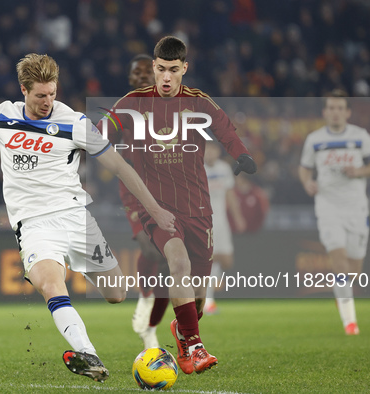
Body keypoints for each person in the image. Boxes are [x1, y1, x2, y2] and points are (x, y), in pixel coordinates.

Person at [0, 53, 175, 382]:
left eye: (52, 93)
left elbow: (121, 167)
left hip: (75, 218)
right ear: (24, 90)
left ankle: (91, 340)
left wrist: (155, 208)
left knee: (116, 293)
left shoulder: (76, 123)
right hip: (35, 224)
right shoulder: (2, 117)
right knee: (51, 284)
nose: (48, 101)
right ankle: (88, 354)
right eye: (40, 95)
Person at [102, 36, 257, 375]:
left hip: (198, 207)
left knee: (197, 296)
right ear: (154, 69)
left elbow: (225, 128)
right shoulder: (133, 102)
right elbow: (104, 131)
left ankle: (184, 330)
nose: (167, 78)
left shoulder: (198, 102)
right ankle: (195, 346)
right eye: (161, 70)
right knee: (178, 262)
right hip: (157, 209)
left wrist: (241, 154)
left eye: (174, 70)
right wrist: (85, 145)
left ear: (184, 68)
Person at [299, 89, 370, 336]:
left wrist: (358, 171)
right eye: (331, 108)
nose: (335, 112)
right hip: (328, 207)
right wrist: (307, 183)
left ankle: (342, 296)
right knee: (338, 263)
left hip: (356, 208)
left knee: (354, 272)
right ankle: (350, 324)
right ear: (325, 112)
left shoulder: (360, 136)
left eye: (340, 108)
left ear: (347, 112)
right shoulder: (314, 139)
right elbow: (304, 169)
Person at [112, 54, 170, 349]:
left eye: (151, 71)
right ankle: (145, 298)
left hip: (169, 190)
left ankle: (159, 324)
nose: (145, 75)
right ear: (131, 77)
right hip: (134, 189)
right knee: (150, 246)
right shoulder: (123, 108)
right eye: (139, 72)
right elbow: (101, 140)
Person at [203, 141, 247, 315]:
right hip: (204, 221)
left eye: (213, 149)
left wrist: (238, 217)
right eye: (207, 149)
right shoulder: (197, 168)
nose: (210, 153)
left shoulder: (224, 169)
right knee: (208, 259)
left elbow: (230, 195)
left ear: (218, 151)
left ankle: (206, 296)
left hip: (221, 221)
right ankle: (208, 301)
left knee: (226, 261)